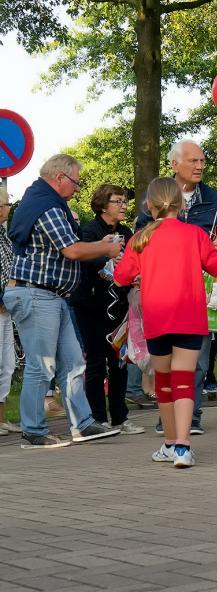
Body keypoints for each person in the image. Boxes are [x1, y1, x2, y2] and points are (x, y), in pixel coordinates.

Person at [5, 154, 124, 448]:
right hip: (37, 293)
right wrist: (105, 248)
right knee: (41, 365)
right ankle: (33, 431)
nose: (77, 188)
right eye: (76, 182)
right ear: (59, 177)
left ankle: (82, 424)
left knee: (73, 363)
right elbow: (71, 250)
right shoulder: (47, 206)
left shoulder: (43, 201)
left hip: (51, 295)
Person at [113, 177, 217, 468]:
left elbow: (121, 277)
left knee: (163, 382)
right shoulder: (195, 234)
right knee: (184, 380)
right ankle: (183, 448)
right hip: (190, 315)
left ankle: (170, 442)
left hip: (157, 317)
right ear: (181, 204)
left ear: (149, 205)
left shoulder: (141, 238)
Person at [137, 139, 217, 436]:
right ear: (174, 164)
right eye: (193, 160)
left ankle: (191, 417)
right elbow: (139, 236)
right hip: (162, 290)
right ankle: (168, 419)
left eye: (202, 161)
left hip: (199, 289)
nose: (200, 166)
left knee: (198, 359)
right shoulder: (156, 194)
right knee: (165, 361)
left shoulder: (214, 198)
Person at [71, 184, 141, 434]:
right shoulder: (88, 231)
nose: (123, 206)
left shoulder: (126, 232)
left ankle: (120, 417)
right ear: (102, 205)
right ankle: (98, 417)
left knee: (119, 361)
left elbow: (135, 260)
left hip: (119, 305)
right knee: (96, 362)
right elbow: (82, 260)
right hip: (91, 305)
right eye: (117, 201)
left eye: (125, 201)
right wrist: (106, 257)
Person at [0, 186, 18, 436]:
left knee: (7, 363)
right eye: (5, 205)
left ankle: (2, 416)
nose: (7, 210)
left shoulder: (5, 235)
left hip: (7, 305)